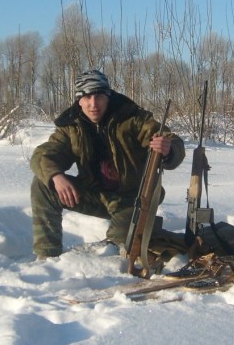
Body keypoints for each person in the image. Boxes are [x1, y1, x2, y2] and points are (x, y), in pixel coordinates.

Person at [30, 70, 186, 259]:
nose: (93, 104)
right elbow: (43, 154)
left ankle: (127, 242)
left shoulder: (133, 118)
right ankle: (47, 256)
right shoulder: (71, 126)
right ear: (79, 100)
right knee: (42, 185)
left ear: (108, 97)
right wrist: (55, 175)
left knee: (119, 248)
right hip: (96, 195)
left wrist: (168, 149)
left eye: (98, 96)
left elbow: (170, 140)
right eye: (87, 97)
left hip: (135, 198)